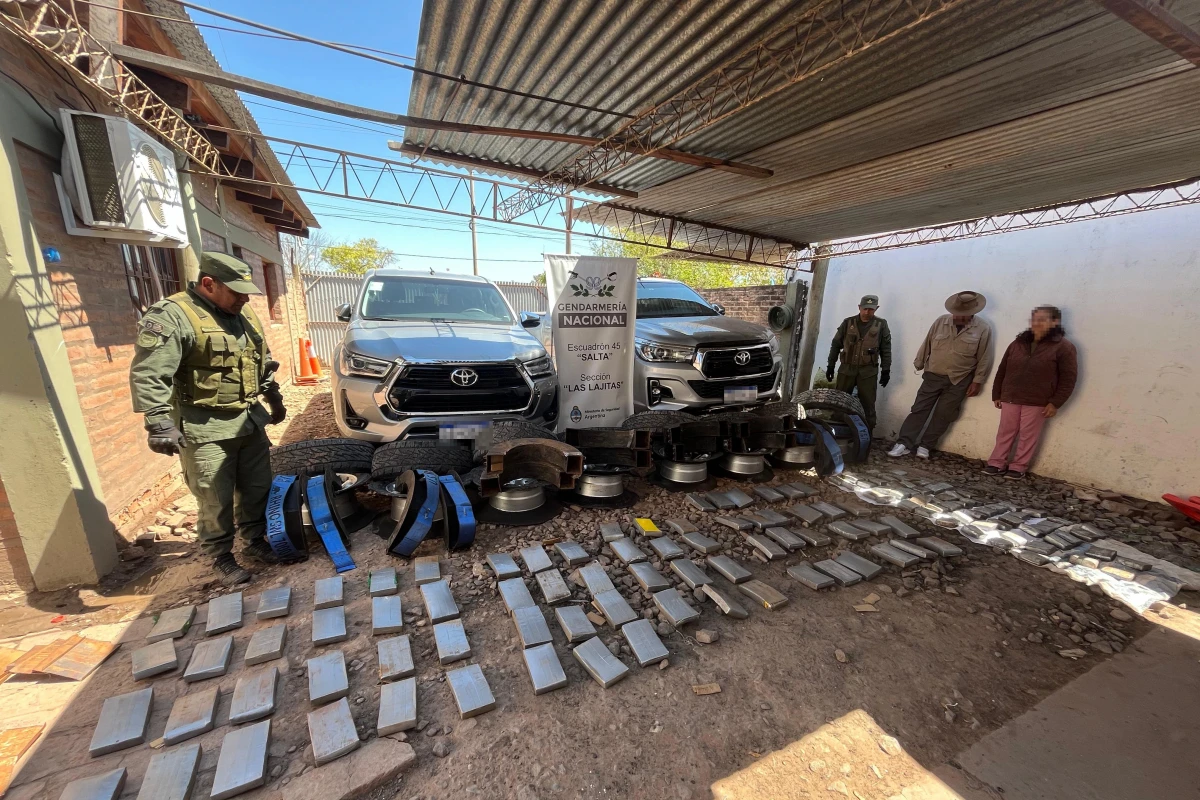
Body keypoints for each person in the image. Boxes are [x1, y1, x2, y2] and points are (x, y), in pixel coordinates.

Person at [130, 252, 288, 586]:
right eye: (236, 291)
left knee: (257, 487)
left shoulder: (244, 315)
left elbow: (262, 363)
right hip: (205, 428)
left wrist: (274, 399)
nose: (244, 298)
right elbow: (149, 373)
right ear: (208, 284)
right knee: (214, 496)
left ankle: (255, 542)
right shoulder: (174, 316)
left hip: (248, 419)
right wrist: (158, 422)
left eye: (246, 292)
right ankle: (221, 556)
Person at [888, 290, 992, 459]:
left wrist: (978, 381)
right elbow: (927, 342)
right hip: (933, 375)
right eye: (957, 313)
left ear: (973, 313)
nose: (959, 317)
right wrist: (919, 362)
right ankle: (904, 443)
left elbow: (985, 356)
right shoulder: (940, 322)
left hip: (960, 379)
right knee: (919, 409)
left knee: (944, 414)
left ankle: (926, 445)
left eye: (964, 314)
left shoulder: (982, 328)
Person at [984, 306, 1077, 480]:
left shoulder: (1064, 347)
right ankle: (996, 463)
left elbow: (1068, 378)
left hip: (1038, 400)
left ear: (1054, 322)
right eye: (1034, 319)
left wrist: (1056, 402)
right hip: (1011, 396)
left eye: (1042, 319)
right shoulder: (1018, 343)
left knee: (1028, 435)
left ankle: (1018, 467)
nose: (1037, 323)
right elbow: (1003, 368)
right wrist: (997, 393)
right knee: (1005, 431)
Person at [826, 294, 892, 431]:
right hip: (846, 370)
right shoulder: (848, 323)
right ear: (859, 307)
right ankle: (836, 432)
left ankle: (866, 434)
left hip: (868, 371)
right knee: (839, 402)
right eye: (865, 309)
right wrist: (831, 365)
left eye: (871, 309)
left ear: (876, 309)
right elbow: (836, 344)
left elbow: (886, 349)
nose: (868, 312)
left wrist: (886, 370)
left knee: (868, 404)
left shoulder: (881, 325)